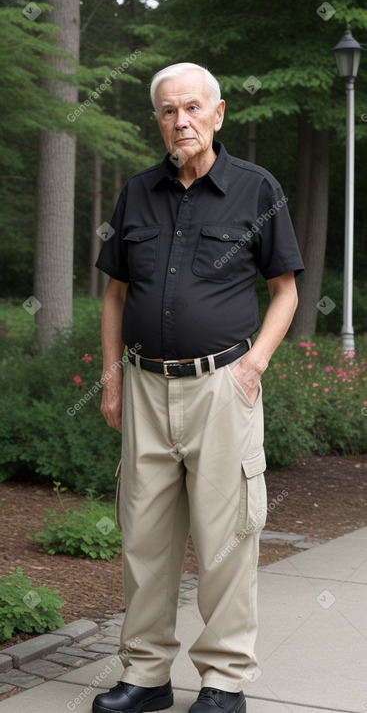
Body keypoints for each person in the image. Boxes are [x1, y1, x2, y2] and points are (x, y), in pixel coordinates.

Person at [92, 62, 304, 713]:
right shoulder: (137, 192)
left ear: (217, 114)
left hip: (221, 389)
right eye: (165, 110)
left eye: (190, 108)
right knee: (144, 542)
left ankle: (222, 682)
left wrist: (253, 366)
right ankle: (146, 676)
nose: (178, 121)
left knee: (226, 544)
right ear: (155, 120)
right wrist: (109, 379)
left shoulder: (256, 189)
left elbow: (285, 291)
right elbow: (115, 292)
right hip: (144, 388)